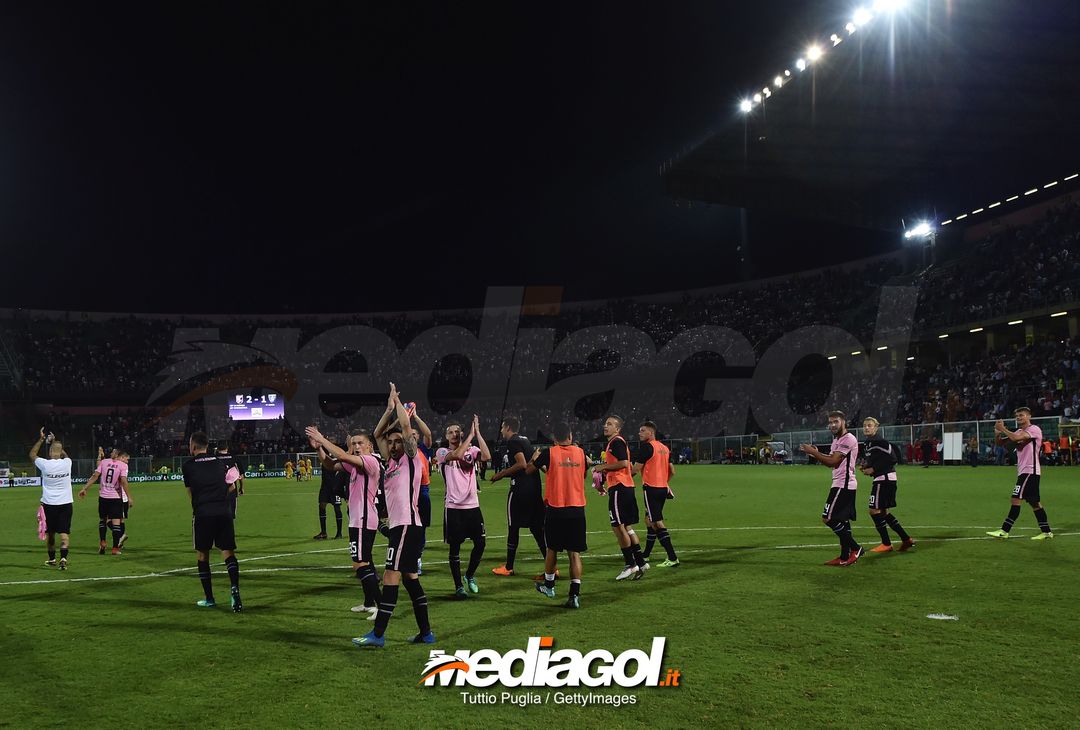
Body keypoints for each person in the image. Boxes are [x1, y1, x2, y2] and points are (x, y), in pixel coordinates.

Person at [353, 383, 434, 648]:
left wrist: (399, 405)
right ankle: (426, 633)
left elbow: (408, 430)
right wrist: (388, 409)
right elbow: (377, 433)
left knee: (390, 576)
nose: (394, 443)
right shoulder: (390, 463)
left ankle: (377, 635)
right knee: (411, 580)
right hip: (404, 527)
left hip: (407, 526)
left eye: (398, 440)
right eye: (392, 442)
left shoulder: (411, 459)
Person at [308, 427, 383, 619]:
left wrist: (322, 438)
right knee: (365, 561)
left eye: (360, 443)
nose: (356, 447)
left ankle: (382, 606)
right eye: (354, 443)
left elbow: (341, 454)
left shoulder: (371, 461)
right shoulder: (358, 464)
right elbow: (331, 465)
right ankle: (368, 603)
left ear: (369, 446)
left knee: (359, 565)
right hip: (359, 519)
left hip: (363, 519)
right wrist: (319, 449)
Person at [525, 422, 587, 608]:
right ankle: (574, 595)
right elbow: (580, 474)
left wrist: (535, 458)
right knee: (574, 553)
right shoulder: (581, 453)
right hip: (577, 508)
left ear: (554, 439)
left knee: (552, 548)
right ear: (570, 436)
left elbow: (529, 470)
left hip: (556, 508)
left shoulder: (549, 453)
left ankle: (549, 586)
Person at [182, 431, 243, 612]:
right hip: (223, 512)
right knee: (228, 552)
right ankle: (235, 590)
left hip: (203, 513)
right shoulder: (220, 463)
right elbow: (232, 486)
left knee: (203, 555)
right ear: (207, 445)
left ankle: (209, 598)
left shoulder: (188, 466)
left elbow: (191, 493)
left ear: (193, 446)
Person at [436, 415, 491, 599]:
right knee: (455, 548)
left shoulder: (472, 450)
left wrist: (478, 434)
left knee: (481, 543)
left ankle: (469, 575)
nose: (454, 434)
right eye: (451, 432)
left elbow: (487, 456)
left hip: (473, 506)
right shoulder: (442, 452)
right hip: (453, 508)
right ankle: (459, 586)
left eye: (457, 432)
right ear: (446, 435)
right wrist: (469, 436)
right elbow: (457, 455)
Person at [799, 411, 864, 566]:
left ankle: (856, 548)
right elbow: (830, 459)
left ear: (844, 422)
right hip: (840, 483)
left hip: (844, 484)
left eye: (836, 421)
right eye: (830, 422)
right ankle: (844, 557)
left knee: (828, 518)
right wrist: (816, 454)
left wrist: (814, 452)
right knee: (842, 520)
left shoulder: (848, 439)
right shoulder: (837, 440)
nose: (833, 425)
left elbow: (832, 462)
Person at [490, 416, 546, 577]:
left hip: (520, 490)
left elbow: (521, 464)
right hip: (534, 489)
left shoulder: (513, 441)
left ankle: (508, 567)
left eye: (502, 427)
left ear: (508, 427)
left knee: (513, 527)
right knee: (537, 529)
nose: (501, 430)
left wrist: (501, 474)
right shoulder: (525, 440)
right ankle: (551, 567)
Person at [593, 415, 647, 580]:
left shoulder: (616, 442)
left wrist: (603, 467)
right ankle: (641, 562)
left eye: (609, 424)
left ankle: (630, 565)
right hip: (626, 487)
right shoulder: (615, 443)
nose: (605, 426)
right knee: (627, 527)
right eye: (605, 423)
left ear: (617, 429)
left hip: (619, 488)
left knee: (618, 527)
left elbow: (624, 463)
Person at [987, 407, 1054, 540]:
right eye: (1017, 416)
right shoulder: (1018, 431)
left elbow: (1017, 439)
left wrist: (1004, 429)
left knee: (1015, 498)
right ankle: (1046, 532)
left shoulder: (1034, 429)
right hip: (1025, 471)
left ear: (1029, 416)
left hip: (1030, 470)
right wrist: (997, 433)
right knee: (1035, 503)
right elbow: (1002, 444)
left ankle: (1004, 531)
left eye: (1021, 415)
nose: (1018, 417)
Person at [858, 417, 914, 553]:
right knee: (883, 512)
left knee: (874, 510)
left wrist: (874, 469)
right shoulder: (868, 443)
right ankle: (906, 539)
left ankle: (886, 544)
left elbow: (892, 458)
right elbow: (877, 459)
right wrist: (866, 466)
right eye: (865, 425)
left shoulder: (880, 442)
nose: (866, 428)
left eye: (869, 425)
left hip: (884, 479)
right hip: (883, 478)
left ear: (876, 427)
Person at [633, 421, 679, 567]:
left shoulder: (647, 447)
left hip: (651, 489)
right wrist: (663, 482)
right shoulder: (664, 448)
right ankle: (646, 554)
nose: (639, 433)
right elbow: (672, 471)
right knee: (649, 519)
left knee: (656, 522)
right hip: (662, 489)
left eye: (642, 430)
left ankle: (672, 557)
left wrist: (623, 478)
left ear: (650, 432)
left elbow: (635, 469)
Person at [30, 428, 73, 570]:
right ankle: (64, 558)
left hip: (49, 504)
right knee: (64, 533)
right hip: (66, 503)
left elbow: (32, 454)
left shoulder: (44, 464)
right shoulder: (68, 462)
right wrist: (55, 442)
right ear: (61, 453)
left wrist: (42, 439)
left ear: (49, 452)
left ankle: (52, 559)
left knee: (50, 533)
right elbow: (64, 454)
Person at [78, 446, 131, 555]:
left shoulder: (104, 462)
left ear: (115, 454)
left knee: (103, 521)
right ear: (119, 455)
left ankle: (102, 542)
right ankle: (115, 548)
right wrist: (129, 496)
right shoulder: (123, 465)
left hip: (103, 497)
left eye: (113, 452)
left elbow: (95, 476)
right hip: (115, 497)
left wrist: (85, 488)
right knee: (116, 523)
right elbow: (124, 481)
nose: (112, 453)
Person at [313, 440, 345, 540]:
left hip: (336, 486)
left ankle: (339, 533)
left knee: (337, 508)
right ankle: (323, 532)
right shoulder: (324, 452)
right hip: (325, 486)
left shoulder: (339, 453)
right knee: (322, 506)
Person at [216, 444, 243, 520]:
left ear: (218, 449)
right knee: (231, 516)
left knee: (218, 516)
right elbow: (241, 475)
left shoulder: (214, 458)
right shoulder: (234, 458)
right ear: (227, 448)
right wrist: (241, 487)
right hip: (232, 491)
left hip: (217, 492)